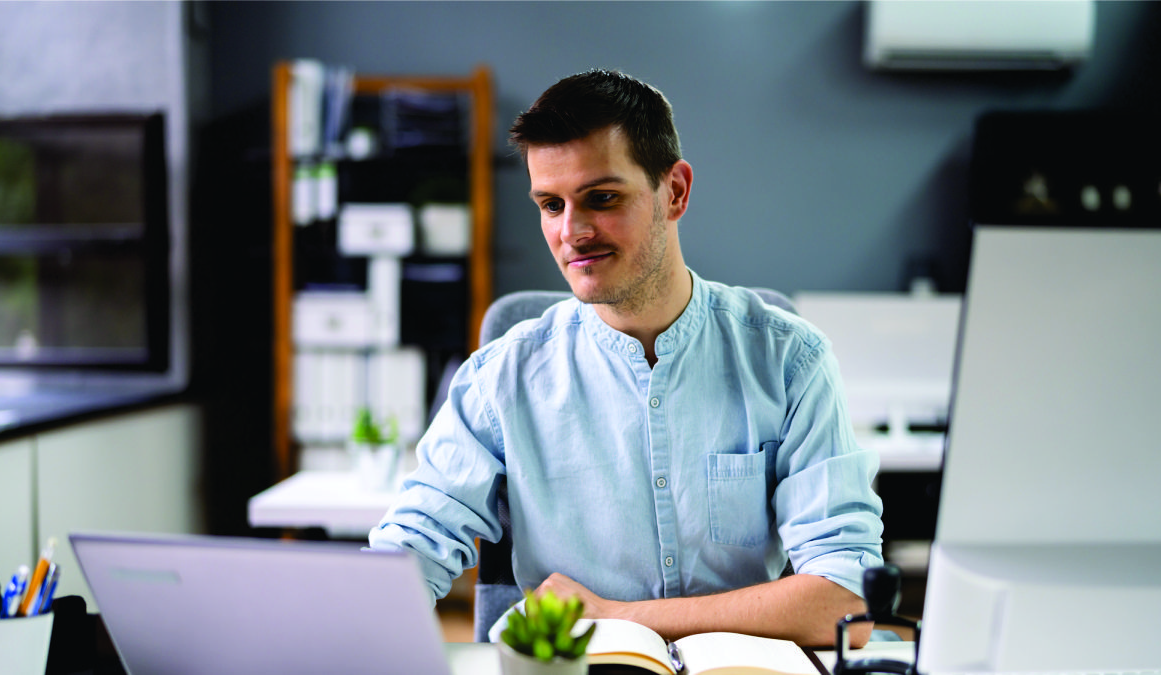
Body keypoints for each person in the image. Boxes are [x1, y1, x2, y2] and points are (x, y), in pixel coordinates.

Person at [370, 69, 884, 647]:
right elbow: (413, 546)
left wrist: (615, 615)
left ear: (676, 192)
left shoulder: (790, 360)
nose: (572, 231)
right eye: (550, 204)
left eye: (602, 198)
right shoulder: (499, 379)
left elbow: (847, 602)